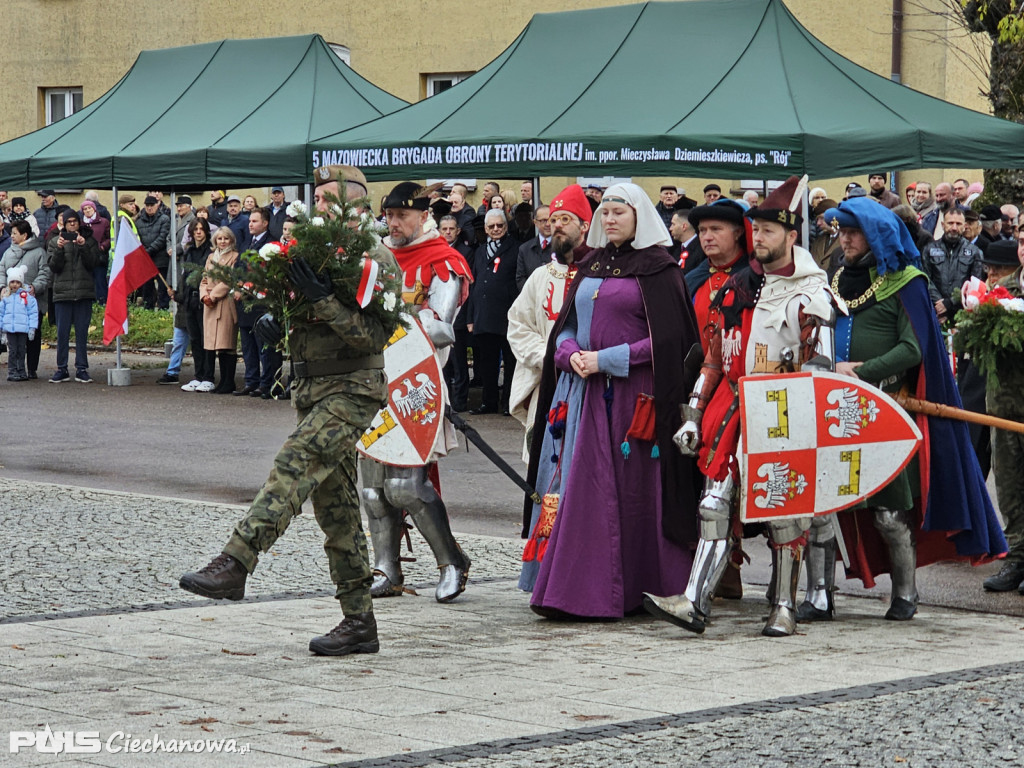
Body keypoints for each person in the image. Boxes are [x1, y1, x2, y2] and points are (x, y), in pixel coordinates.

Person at [179, 165, 396, 657]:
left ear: (357, 204)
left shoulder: (372, 256)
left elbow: (375, 336)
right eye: (315, 198)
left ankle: (236, 561)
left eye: (329, 198)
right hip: (312, 389)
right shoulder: (309, 254)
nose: (319, 206)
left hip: (353, 388)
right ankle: (359, 620)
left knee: (295, 463)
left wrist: (324, 303)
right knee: (337, 510)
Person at [644, 175, 841, 637]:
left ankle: (785, 607)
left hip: (784, 410)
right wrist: (693, 415)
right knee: (713, 503)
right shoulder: (736, 288)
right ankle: (694, 602)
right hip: (734, 409)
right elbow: (714, 358)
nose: (760, 238)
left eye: (769, 230)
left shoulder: (814, 293)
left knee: (782, 508)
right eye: (757, 230)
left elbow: (823, 366)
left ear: (792, 235)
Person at [800, 198, 1006, 621]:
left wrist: (863, 371)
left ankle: (906, 594)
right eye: (841, 232)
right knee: (821, 511)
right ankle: (819, 595)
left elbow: (915, 348)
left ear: (877, 235)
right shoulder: (836, 276)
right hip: (834, 410)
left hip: (886, 410)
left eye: (854, 232)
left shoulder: (907, 281)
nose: (845, 239)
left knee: (890, 513)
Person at [523, 183, 702, 620]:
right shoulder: (592, 265)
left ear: (639, 216)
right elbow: (568, 323)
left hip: (634, 400)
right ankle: (575, 590)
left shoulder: (660, 270)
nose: (610, 220)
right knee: (582, 491)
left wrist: (610, 359)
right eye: (604, 213)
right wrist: (567, 353)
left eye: (618, 212)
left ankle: (636, 587)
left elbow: (671, 340)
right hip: (584, 396)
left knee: (633, 492)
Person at [362, 181, 474, 603]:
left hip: (415, 382)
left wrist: (399, 320)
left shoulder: (443, 261)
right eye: (389, 216)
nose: (393, 224)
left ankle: (452, 561)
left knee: (405, 487)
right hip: (370, 378)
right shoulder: (375, 259)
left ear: (423, 216)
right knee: (371, 488)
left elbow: (441, 326)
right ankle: (386, 569)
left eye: (402, 216)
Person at [507, 184, 589, 470]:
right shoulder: (541, 277)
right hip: (548, 382)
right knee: (544, 463)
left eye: (565, 220)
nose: (556, 226)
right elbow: (518, 324)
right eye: (553, 220)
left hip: (590, 384)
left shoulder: (600, 275)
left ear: (585, 225)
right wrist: (546, 354)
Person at [980, 237, 1024, 593]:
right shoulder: (1001, 292)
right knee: (1008, 489)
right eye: (1022, 241)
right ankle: (1017, 560)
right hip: (1004, 405)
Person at [466, 209, 520, 415]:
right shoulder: (479, 251)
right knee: (487, 364)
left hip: (508, 315)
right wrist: (471, 317)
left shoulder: (516, 248)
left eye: (500, 225)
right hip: (484, 314)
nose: (496, 229)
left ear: (506, 227)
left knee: (511, 362)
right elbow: (473, 284)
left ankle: (508, 404)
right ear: (486, 229)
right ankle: (488, 403)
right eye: (491, 226)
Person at [47, 210, 101, 383]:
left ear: (79, 223)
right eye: (68, 222)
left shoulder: (90, 241)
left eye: (74, 221)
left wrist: (83, 246)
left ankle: (82, 368)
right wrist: (60, 249)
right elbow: (54, 267)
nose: (71, 224)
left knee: (81, 334)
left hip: (83, 293)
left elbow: (93, 264)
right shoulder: (55, 242)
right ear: (63, 225)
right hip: (63, 294)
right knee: (62, 334)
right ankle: (62, 368)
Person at [0, 221, 50, 379]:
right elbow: (2, 270)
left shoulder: (39, 252)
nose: (12, 236)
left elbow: (45, 272)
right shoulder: (9, 252)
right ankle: (16, 369)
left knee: (33, 335)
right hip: (12, 303)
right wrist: (2, 286)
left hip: (32, 301)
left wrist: (35, 287)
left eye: (15, 233)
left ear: (24, 235)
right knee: (14, 340)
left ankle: (32, 368)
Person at [921, 208, 984, 324]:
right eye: (950, 223)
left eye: (958, 224)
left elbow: (975, 285)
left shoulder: (975, 252)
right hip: (935, 313)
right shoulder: (929, 249)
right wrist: (939, 304)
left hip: (963, 316)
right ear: (943, 225)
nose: (954, 228)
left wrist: (950, 303)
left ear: (964, 226)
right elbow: (925, 278)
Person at [1, 265, 38, 381]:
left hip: (22, 329)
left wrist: (32, 328)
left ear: (21, 283)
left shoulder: (27, 297)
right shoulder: (6, 298)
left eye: (17, 282)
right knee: (12, 351)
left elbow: (33, 313)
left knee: (22, 349)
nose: (15, 285)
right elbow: (1, 314)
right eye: (12, 282)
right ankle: (12, 371)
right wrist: (2, 330)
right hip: (10, 329)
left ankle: (21, 370)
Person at [135, 195, 171, 310]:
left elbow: (162, 237)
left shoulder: (164, 219)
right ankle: (148, 311)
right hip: (145, 261)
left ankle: (163, 311)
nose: (149, 208)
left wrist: (148, 250)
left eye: (152, 205)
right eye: (147, 206)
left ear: (157, 206)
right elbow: (137, 238)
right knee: (147, 289)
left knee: (162, 288)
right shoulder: (139, 222)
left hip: (161, 259)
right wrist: (144, 252)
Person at [515, 205, 554, 290]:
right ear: (535, 222)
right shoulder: (524, 249)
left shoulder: (563, 246)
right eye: (543, 221)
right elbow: (520, 278)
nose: (548, 224)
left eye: (551, 220)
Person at [79, 200, 110, 305]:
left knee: (100, 281)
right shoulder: (81, 224)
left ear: (94, 209)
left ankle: (102, 303)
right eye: (85, 209)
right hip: (85, 256)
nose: (87, 210)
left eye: (89, 208)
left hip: (99, 256)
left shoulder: (104, 222)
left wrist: (103, 246)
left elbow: (110, 238)